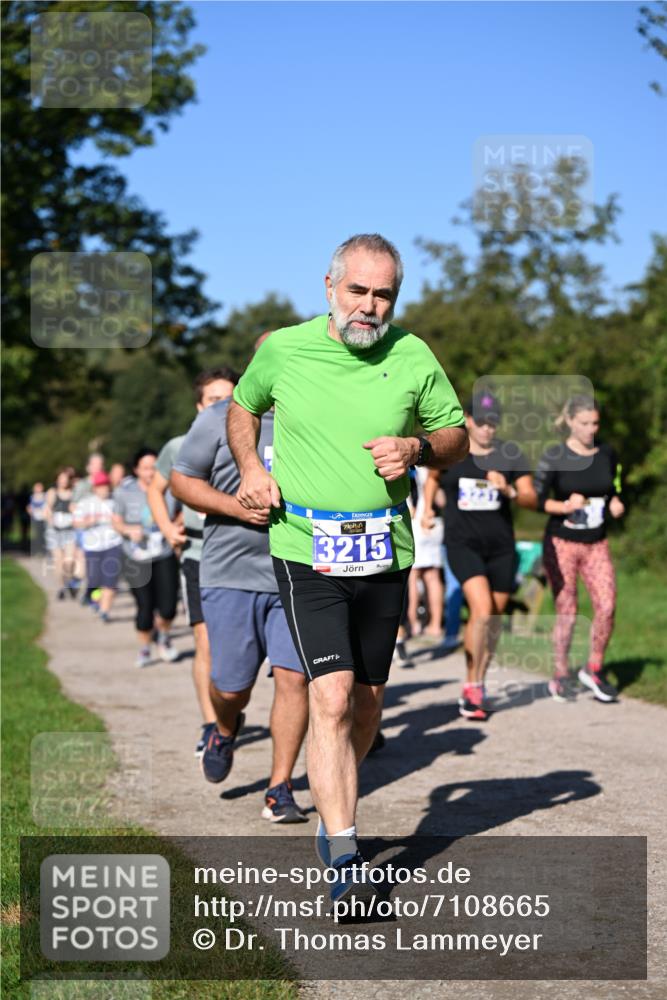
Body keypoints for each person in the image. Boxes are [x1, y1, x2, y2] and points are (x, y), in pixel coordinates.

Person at [227, 233, 467, 896]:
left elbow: (455, 436)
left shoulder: (412, 354)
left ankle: (333, 780)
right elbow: (243, 407)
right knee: (329, 695)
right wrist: (250, 469)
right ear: (330, 287)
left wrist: (417, 448)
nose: (368, 305)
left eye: (383, 294)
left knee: (365, 707)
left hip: (384, 550)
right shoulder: (284, 349)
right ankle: (343, 854)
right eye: (357, 290)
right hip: (305, 546)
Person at [170, 347, 309, 824]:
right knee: (231, 687)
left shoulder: (313, 417)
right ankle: (225, 728)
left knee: (294, 679)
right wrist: (235, 506)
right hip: (231, 574)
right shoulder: (219, 417)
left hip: (298, 573)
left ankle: (279, 788)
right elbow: (182, 481)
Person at [424, 392, 536, 721]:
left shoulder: (510, 454)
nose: (488, 428)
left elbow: (530, 496)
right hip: (463, 544)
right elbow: (433, 477)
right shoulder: (454, 452)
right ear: (469, 420)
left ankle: (479, 680)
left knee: (494, 619)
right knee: (483, 610)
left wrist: (510, 491)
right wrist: (427, 508)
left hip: (501, 547)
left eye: (493, 422)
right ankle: (472, 684)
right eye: (482, 422)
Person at [148, 367, 240, 757]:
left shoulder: (253, 438)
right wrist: (167, 528)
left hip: (246, 554)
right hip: (199, 554)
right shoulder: (178, 446)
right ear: (200, 406)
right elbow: (156, 489)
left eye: (229, 398)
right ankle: (211, 725)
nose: (222, 405)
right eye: (214, 399)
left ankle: (229, 709)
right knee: (205, 642)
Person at [534, 395, 625, 703]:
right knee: (568, 612)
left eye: (595, 423)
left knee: (607, 605)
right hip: (562, 543)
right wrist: (563, 506)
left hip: (596, 543)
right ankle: (560, 674)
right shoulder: (555, 456)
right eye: (584, 423)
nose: (591, 429)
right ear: (570, 421)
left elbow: (614, 485)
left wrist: (615, 501)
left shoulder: (607, 453)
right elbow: (535, 499)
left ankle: (593, 668)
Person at [112, 448, 181, 667]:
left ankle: (164, 637)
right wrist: (128, 530)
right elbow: (115, 521)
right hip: (136, 557)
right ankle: (144, 648)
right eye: (145, 468)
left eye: (154, 467)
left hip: (164, 553)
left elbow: (181, 512)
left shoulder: (170, 488)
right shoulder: (124, 492)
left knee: (168, 607)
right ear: (136, 470)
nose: (150, 472)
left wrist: (175, 526)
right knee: (145, 608)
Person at [72, 471, 123, 622]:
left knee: (110, 580)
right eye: (100, 486)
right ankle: (94, 599)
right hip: (93, 547)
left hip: (113, 544)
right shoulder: (85, 503)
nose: (104, 489)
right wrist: (87, 522)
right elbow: (75, 523)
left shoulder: (115, 502)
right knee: (94, 580)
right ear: (94, 488)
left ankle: (104, 611)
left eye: (106, 486)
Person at [407, 465, 445, 644]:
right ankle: (435, 624)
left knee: (412, 575)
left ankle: (413, 622)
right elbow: (442, 500)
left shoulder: (411, 468)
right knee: (432, 576)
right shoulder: (434, 466)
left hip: (417, 521)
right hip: (435, 522)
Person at [45, 469, 78, 599]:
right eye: (61, 478)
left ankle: (69, 581)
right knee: (58, 561)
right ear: (57, 480)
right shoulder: (52, 492)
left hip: (69, 531)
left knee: (69, 562)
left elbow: (78, 510)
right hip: (55, 531)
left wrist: (75, 512)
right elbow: (47, 510)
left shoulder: (73, 493)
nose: (63, 481)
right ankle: (61, 588)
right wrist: (51, 520)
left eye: (65, 478)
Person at [27, 482, 48, 555]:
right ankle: (39, 550)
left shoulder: (45, 495)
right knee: (38, 534)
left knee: (45, 534)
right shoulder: (32, 497)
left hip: (44, 518)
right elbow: (30, 507)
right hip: (35, 518)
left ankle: (45, 549)